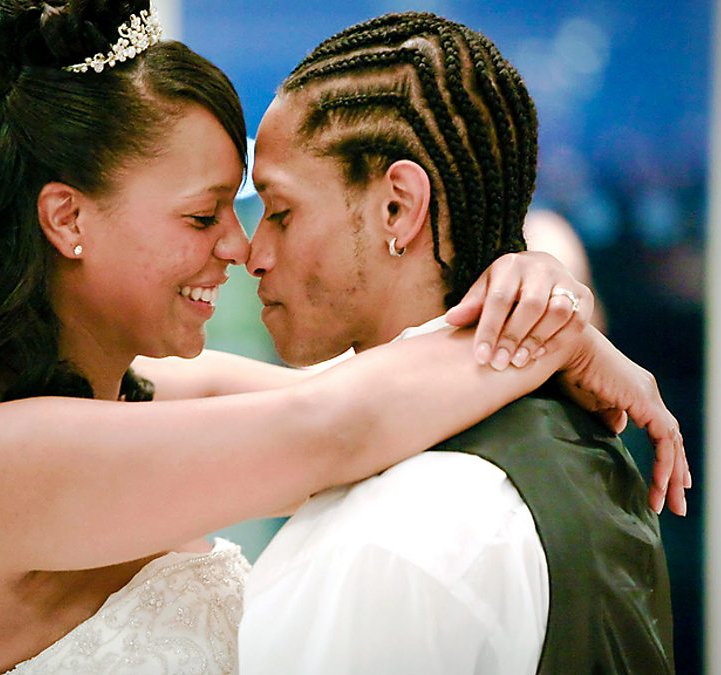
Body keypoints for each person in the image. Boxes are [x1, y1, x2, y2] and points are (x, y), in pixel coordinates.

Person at [0, 2, 686, 674]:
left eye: (253, 210)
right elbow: (340, 424)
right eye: (203, 216)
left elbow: (377, 388)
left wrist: (544, 285)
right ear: (68, 220)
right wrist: (560, 327)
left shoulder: (136, 396)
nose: (238, 249)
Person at [237, 12, 679, 674]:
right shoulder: (576, 446)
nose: (254, 254)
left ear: (397, 207)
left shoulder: (397, 532)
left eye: (280, 211)